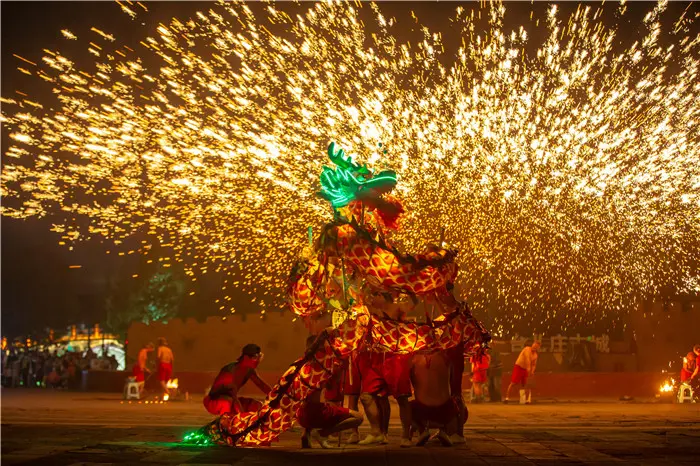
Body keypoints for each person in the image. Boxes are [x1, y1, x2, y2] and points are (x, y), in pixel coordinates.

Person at [358, 291, 414, 447]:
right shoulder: (368, 310)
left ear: (383, 296)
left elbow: (413, 303)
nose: (372, 297)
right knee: (367, 396)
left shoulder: (397, 308)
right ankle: (377, 433)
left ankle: (405, 436)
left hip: (394, 357)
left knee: (402, 398)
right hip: (374, 358)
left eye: (375, 294)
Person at [297, 335, 364, 449]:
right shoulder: (322, 367)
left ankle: (306, 434)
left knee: (307, 404)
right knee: (358, 417)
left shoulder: (300, 365)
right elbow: (329, 385)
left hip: (301, 415)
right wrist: (340, 367)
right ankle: (322, 434)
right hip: (318, 412)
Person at [203, 343, 272, 416]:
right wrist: (242, 416)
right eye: (255, 358)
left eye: (259, 358)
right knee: (226, 402)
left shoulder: (249, 370)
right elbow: (232, 396)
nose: (257, 361)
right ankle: (225, 421)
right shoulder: (230, 372)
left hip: (232, 400)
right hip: (214, 402)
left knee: (256, 405)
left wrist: (276, 396)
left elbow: (261, 385)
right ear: (246, 357)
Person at [409, 350, 459, 447]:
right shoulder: (447, 358)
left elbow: (414, 383)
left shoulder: (414, 359)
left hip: (422, 408)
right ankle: (445, 431)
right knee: (459, 407)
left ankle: (423, 430)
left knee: (407, 409)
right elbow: (452, 381)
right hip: (445, 407)